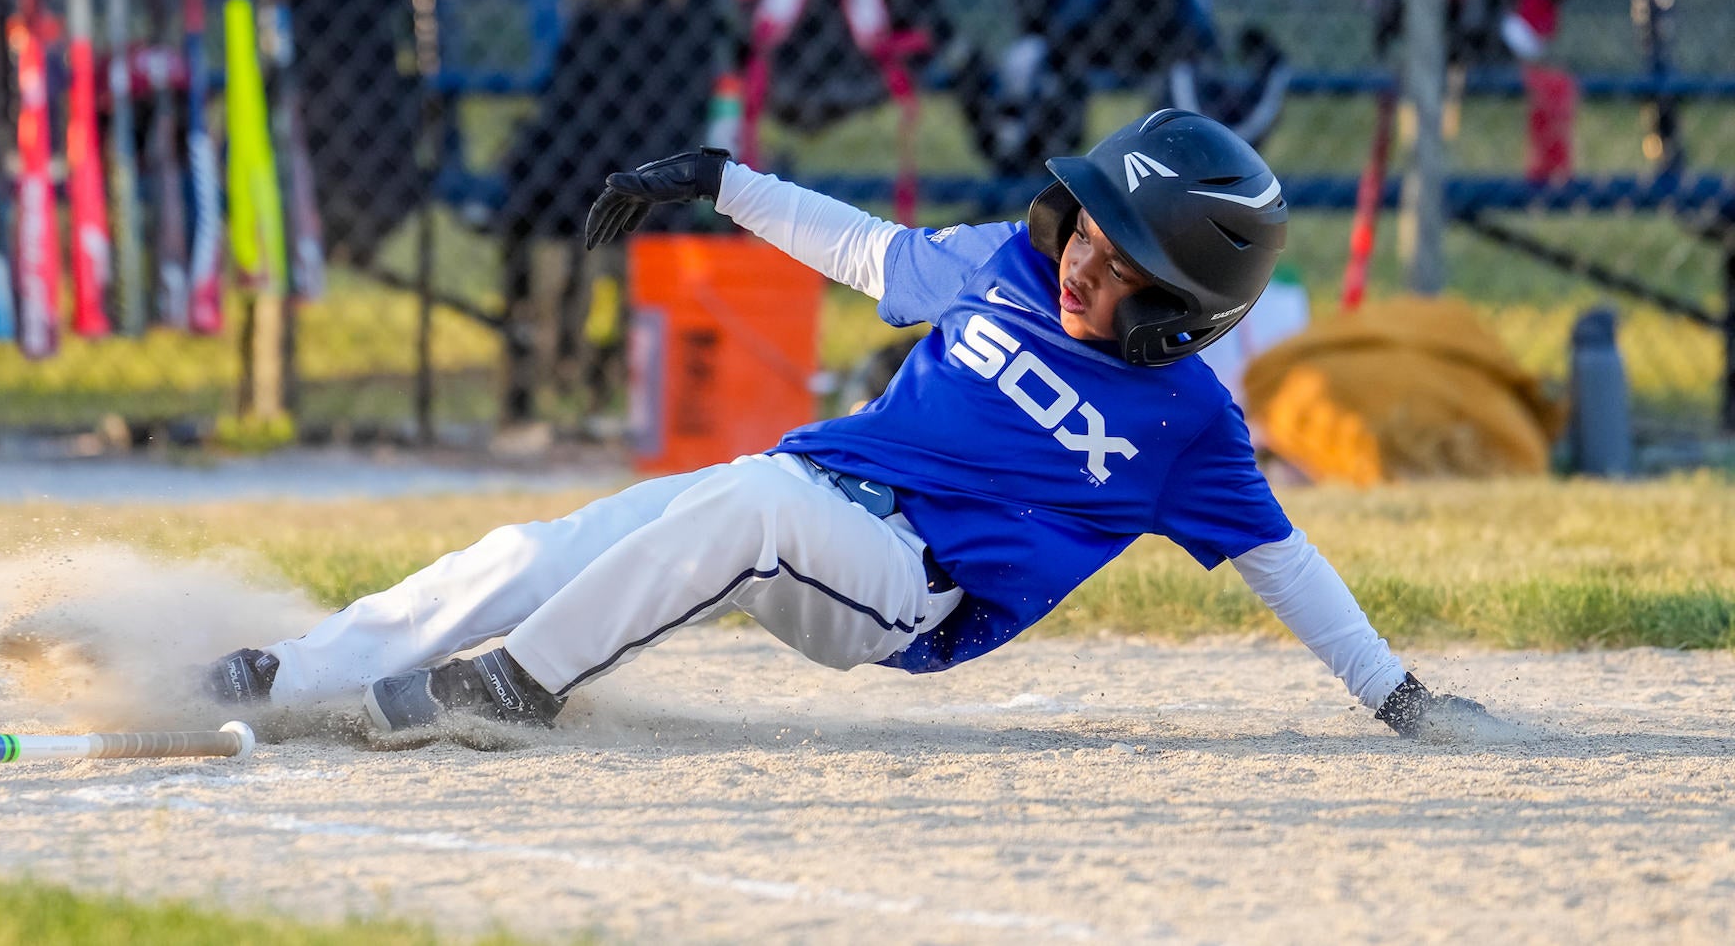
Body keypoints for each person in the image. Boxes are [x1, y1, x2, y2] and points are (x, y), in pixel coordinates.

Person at [204, 109, 1490, 741]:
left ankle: (507, 691)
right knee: (541, 542)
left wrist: (1396, 695)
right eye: (1089, 231)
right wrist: (718, 179)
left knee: (750, 505)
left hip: (904, 587)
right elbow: (864, 249)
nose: (1084, 267)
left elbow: (1285, 560)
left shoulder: (1186, 428)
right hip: (814, 491)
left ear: (1188, 313)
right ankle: (291, 673)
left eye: (1124, 267)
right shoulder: (1005, 263)